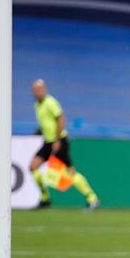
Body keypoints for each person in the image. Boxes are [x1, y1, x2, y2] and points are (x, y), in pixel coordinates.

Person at [30, 79, 100, 210]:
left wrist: (57, 140)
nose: (37, 92)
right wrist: (37, 132)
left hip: (59, 140)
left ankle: (92, 198)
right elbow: (46, 123)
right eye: (35, 90)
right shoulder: (37, 106)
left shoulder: (50, 102)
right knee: (33, 167)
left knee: (70, 172)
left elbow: (61, 120)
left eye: (39, 89)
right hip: (48, 142)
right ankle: (45, 199)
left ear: (44, 89)